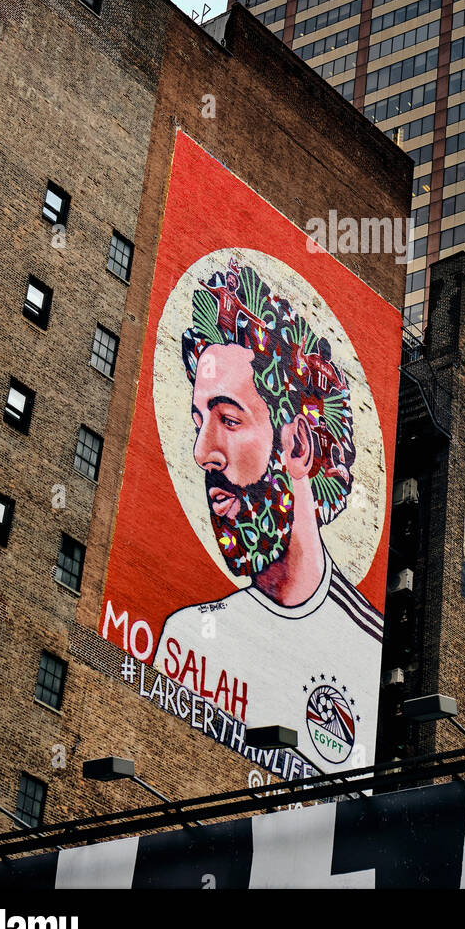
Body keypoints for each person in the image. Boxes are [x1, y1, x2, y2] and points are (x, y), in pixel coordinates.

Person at [153, 258, 382, 771]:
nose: (201, 453)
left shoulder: (372, 655)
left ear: (298, 446)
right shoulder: (185, 637)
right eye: (198, 421)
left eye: (229, 419)